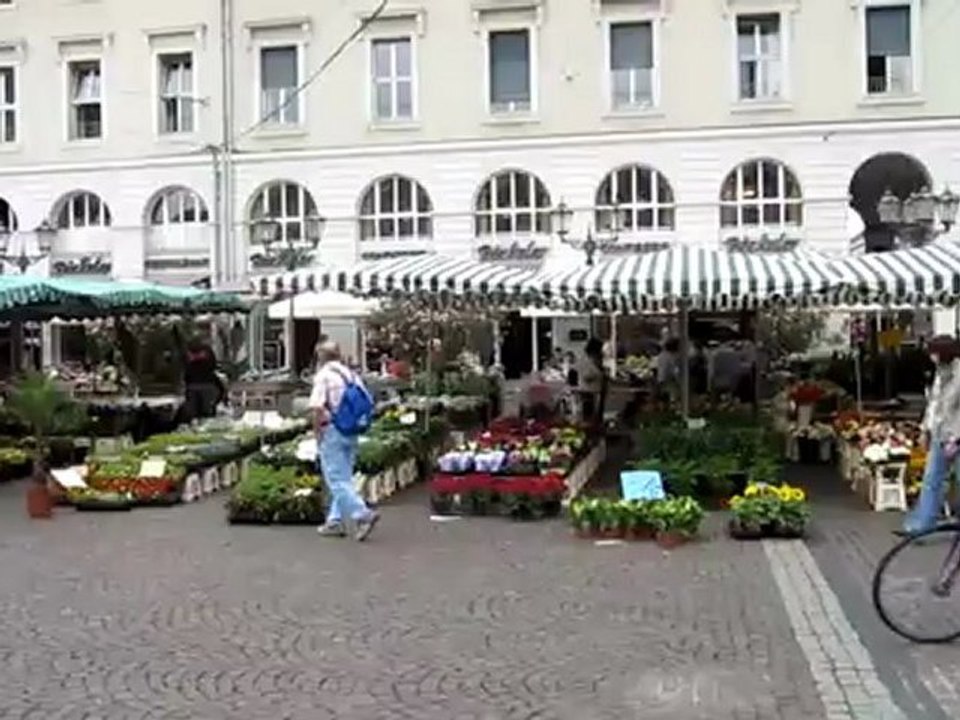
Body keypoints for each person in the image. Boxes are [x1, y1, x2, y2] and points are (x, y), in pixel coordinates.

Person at [311, 340, 380, 541]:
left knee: (336, 479)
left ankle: (363, 514)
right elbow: (368, 401)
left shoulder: (323, 376)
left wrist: (317, 432)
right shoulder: (351, 375)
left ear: (321, 357)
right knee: (345, 477)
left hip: (332, 429)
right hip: (351, 430)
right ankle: (334, 520)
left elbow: (317, 407)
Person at [901, 335, 960, 536]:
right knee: (931, 480)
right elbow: (934, 403)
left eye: (934, 352)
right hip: (939, 435)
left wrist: (957, 437)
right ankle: (923, 524)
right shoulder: (940, 373)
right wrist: (925, 429)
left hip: (956, 436)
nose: (931, 357)